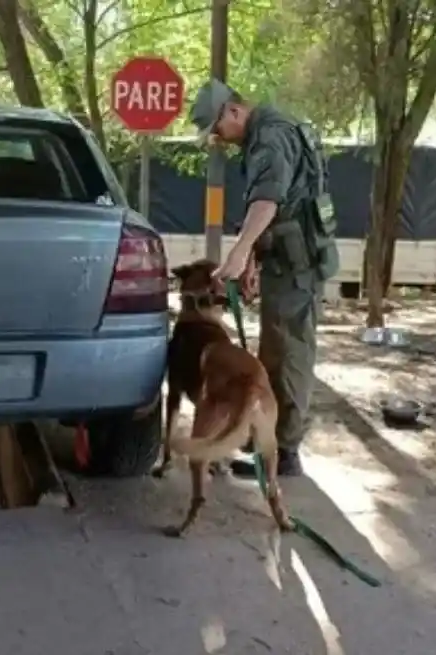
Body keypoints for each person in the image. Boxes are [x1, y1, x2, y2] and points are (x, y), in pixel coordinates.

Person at [187, 79, 339, 477]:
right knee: (273, 349)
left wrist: (238, 255)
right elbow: (276, 206)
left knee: (290, 352)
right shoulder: (268, 132)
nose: (219, 139)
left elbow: (268, 201)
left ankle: (284, 450)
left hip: (297, 262)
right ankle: (267, 438)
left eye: (218, 130)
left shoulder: (270, 138)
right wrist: (253, 258)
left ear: (233, 111)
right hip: (284, 256)